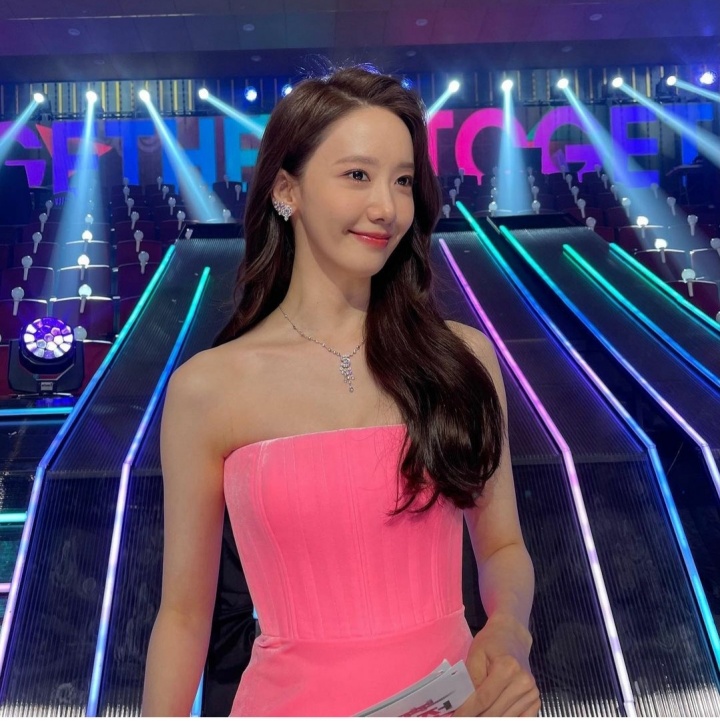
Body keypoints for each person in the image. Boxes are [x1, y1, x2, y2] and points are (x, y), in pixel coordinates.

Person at [142, 65, 539, 717]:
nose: (387, 207)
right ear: (287, 190)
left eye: (403, 180)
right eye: (358, 175)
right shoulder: (208, 388)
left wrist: (507, 632)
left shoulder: (461, 357)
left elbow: (502, 546)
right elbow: (184, 615)